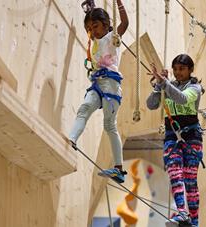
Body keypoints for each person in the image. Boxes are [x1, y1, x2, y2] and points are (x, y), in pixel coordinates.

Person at [68, 1, 129, 184]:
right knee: (84, 108)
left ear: (105, 24)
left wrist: (119, 4)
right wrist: (91, 8)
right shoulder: (93, 42)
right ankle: (71, 139)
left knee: (109, 126)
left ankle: (119, 168)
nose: (92, 30)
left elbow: (124, 24)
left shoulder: (112, 38)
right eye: (89, 28)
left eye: (95, 26)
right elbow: (92, 22)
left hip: (111, 86)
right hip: (97, 84)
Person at [146, 54, 205, 227]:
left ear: (190, 70)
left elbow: (182, 98)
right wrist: (158, 85)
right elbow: (151, 104)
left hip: (191, 136)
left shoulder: (196, 87)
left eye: (182, 69)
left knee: (189, 179)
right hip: (172, 134)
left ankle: (194, 223)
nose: (178, 72)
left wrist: (165, 83)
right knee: (173, 171)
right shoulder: (167, 85)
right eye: (176, 69)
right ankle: (182, 213)